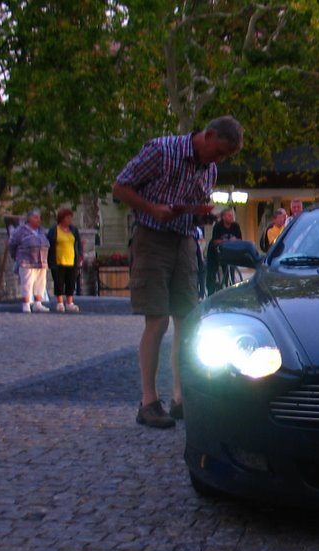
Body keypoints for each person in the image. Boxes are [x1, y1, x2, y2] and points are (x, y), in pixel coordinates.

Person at [112, 115, 244, 428]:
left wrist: (201, 216)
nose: (219, 160)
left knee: (187, 319)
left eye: (225, 157)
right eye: (219, 152)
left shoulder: (209, 169)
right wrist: (151, 208)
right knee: (156, 319)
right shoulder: (162, 151)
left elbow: (194, 203)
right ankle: (148, 402)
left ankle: (181, 397)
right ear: (208, 135)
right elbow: (120, 187)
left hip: (185, 241)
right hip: (151, 238)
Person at [9, 209, 51, 313]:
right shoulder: (21, 230)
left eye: (39, 218)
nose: (38, 220)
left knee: (40, 283)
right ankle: (26, 304)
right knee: (27, 283)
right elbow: (12, 244)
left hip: (41, 262)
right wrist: (16, 256)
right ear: (29, 219)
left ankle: (38, 303)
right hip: (27, 261)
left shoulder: (41, 230)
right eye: (36, 217)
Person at [46, 207, 84, 312]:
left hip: (71, 259)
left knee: (71, 282)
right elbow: (49, 243)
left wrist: (80, 255)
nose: (69, 220)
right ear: (62, 218)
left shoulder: (73, 230)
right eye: (67, 218)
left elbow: (78, 243)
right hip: (58, 260)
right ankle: (59, 302)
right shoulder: (54, 230)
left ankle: (70, 302)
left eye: (70, 218)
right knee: (59, 282)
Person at [205, 207, 243, 296]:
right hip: (214, 251)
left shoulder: (235, 226)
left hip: (227, 251)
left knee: (228, 269)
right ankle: (210, 292)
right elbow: (215, 241)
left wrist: (236, 241)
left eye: (232, 215)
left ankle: (227, 287)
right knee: (212, 271)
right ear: (223, 217)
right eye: (229, 215)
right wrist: (228, 241)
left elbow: (240, 239)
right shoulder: (218, 226)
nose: (232, 217)